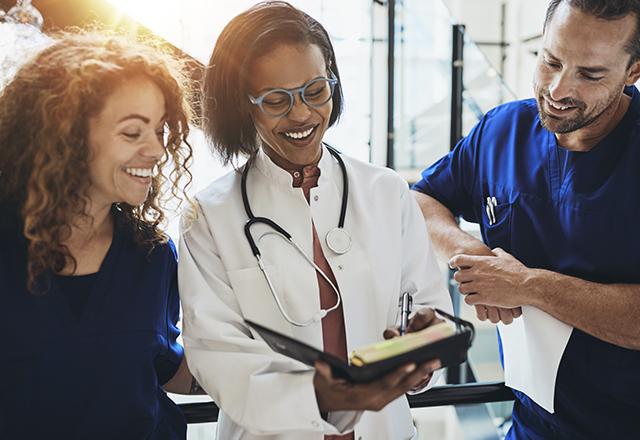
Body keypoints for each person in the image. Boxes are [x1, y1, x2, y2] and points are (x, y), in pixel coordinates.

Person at [178, 2, 452, 439]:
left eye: (315, 91)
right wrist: (319, 397)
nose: (302, 114)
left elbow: (427, 306)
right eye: (276, 100)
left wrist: (421, 354)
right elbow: (216, 354)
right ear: (243, 105)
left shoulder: (386, 191)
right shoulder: (210, 215)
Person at [412, 0, 640, 438]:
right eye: (550, 60)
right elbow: (423, 201)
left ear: (633, 71)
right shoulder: (503, 130)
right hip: (530, 425)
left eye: (589, 74)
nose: (556, 89)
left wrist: (527, 285)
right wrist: (471, 254)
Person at [0, 32, 202, 439]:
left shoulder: (154, 255)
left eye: (161, 131)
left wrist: (286, 374)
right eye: (133, 133)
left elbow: (163, 369)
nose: (158, 151)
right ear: (66, 136)